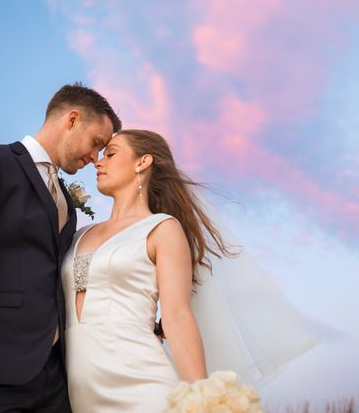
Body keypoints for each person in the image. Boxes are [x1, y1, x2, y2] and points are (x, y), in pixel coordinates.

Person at [0, 83, 121, 413]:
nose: (95, 157)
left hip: (57, 381)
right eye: (96, 143)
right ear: (72, 120)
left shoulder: (68, 206)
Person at [62, 129, 236, 412]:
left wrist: (203, 399)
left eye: (111, 153)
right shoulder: (79, 233)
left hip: (142, 384)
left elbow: (177, 316)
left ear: (142, 162)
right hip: (79, 391)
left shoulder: (162, 229)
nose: (98, 162)